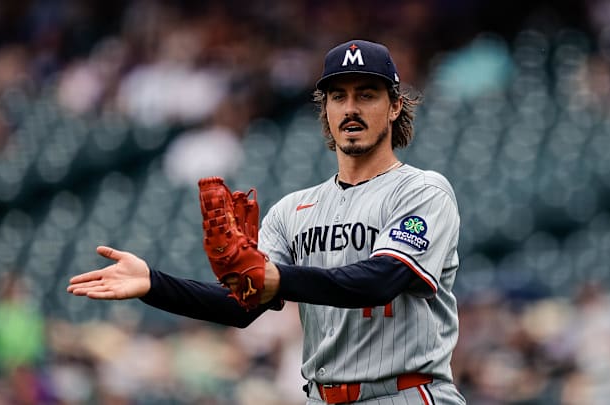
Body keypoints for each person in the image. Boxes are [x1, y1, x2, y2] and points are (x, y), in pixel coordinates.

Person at [68, 39, 465, 405]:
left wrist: (278, 279)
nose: (351, 108)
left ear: (395, 106)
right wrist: (154, 284)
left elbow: (380, 280)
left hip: (408, 393)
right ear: (324, 109)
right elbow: (240, 307)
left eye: (367, 94)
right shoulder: (294, 210)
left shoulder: (422, 191)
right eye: (338, 96)